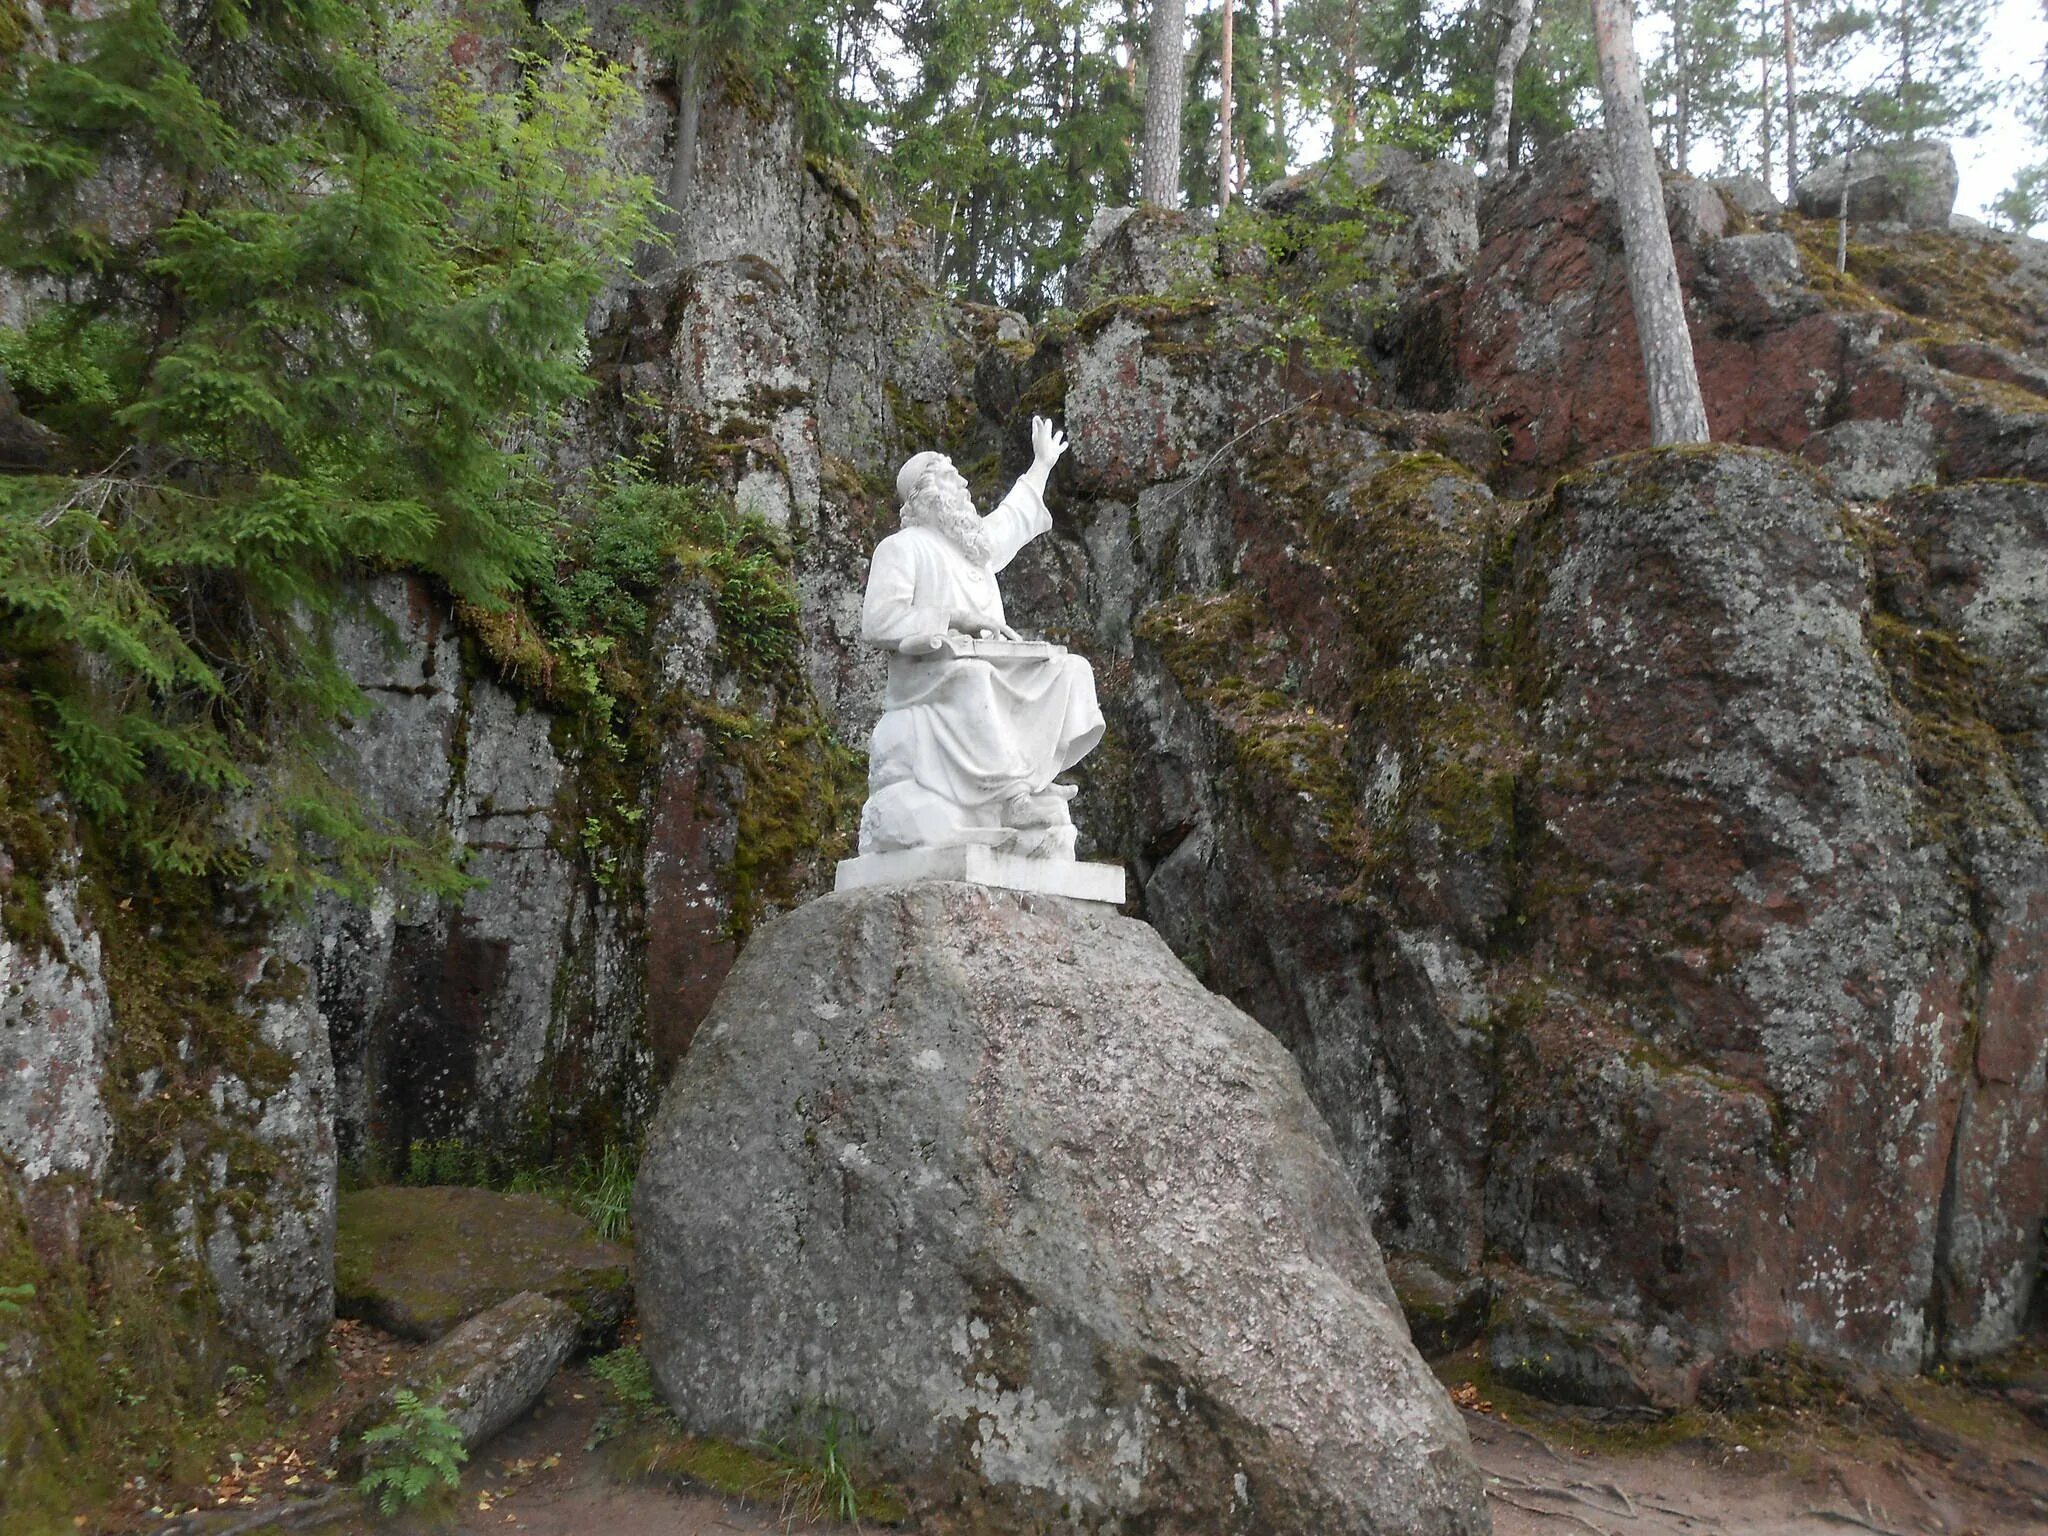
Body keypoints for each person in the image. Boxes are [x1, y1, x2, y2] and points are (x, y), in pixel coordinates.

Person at [858, 416, 1103, 859]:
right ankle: (1012, 798)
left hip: (989, 660)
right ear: (927, 496)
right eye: (952, 481)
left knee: (1071, 671)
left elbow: (1012, 517)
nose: (964, 487)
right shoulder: (902, 548)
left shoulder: (975, 550)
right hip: (931, 673)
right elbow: (878, 621)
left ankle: (1035, 779)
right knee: (973, 678)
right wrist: (953, 618)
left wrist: (1043, 465)